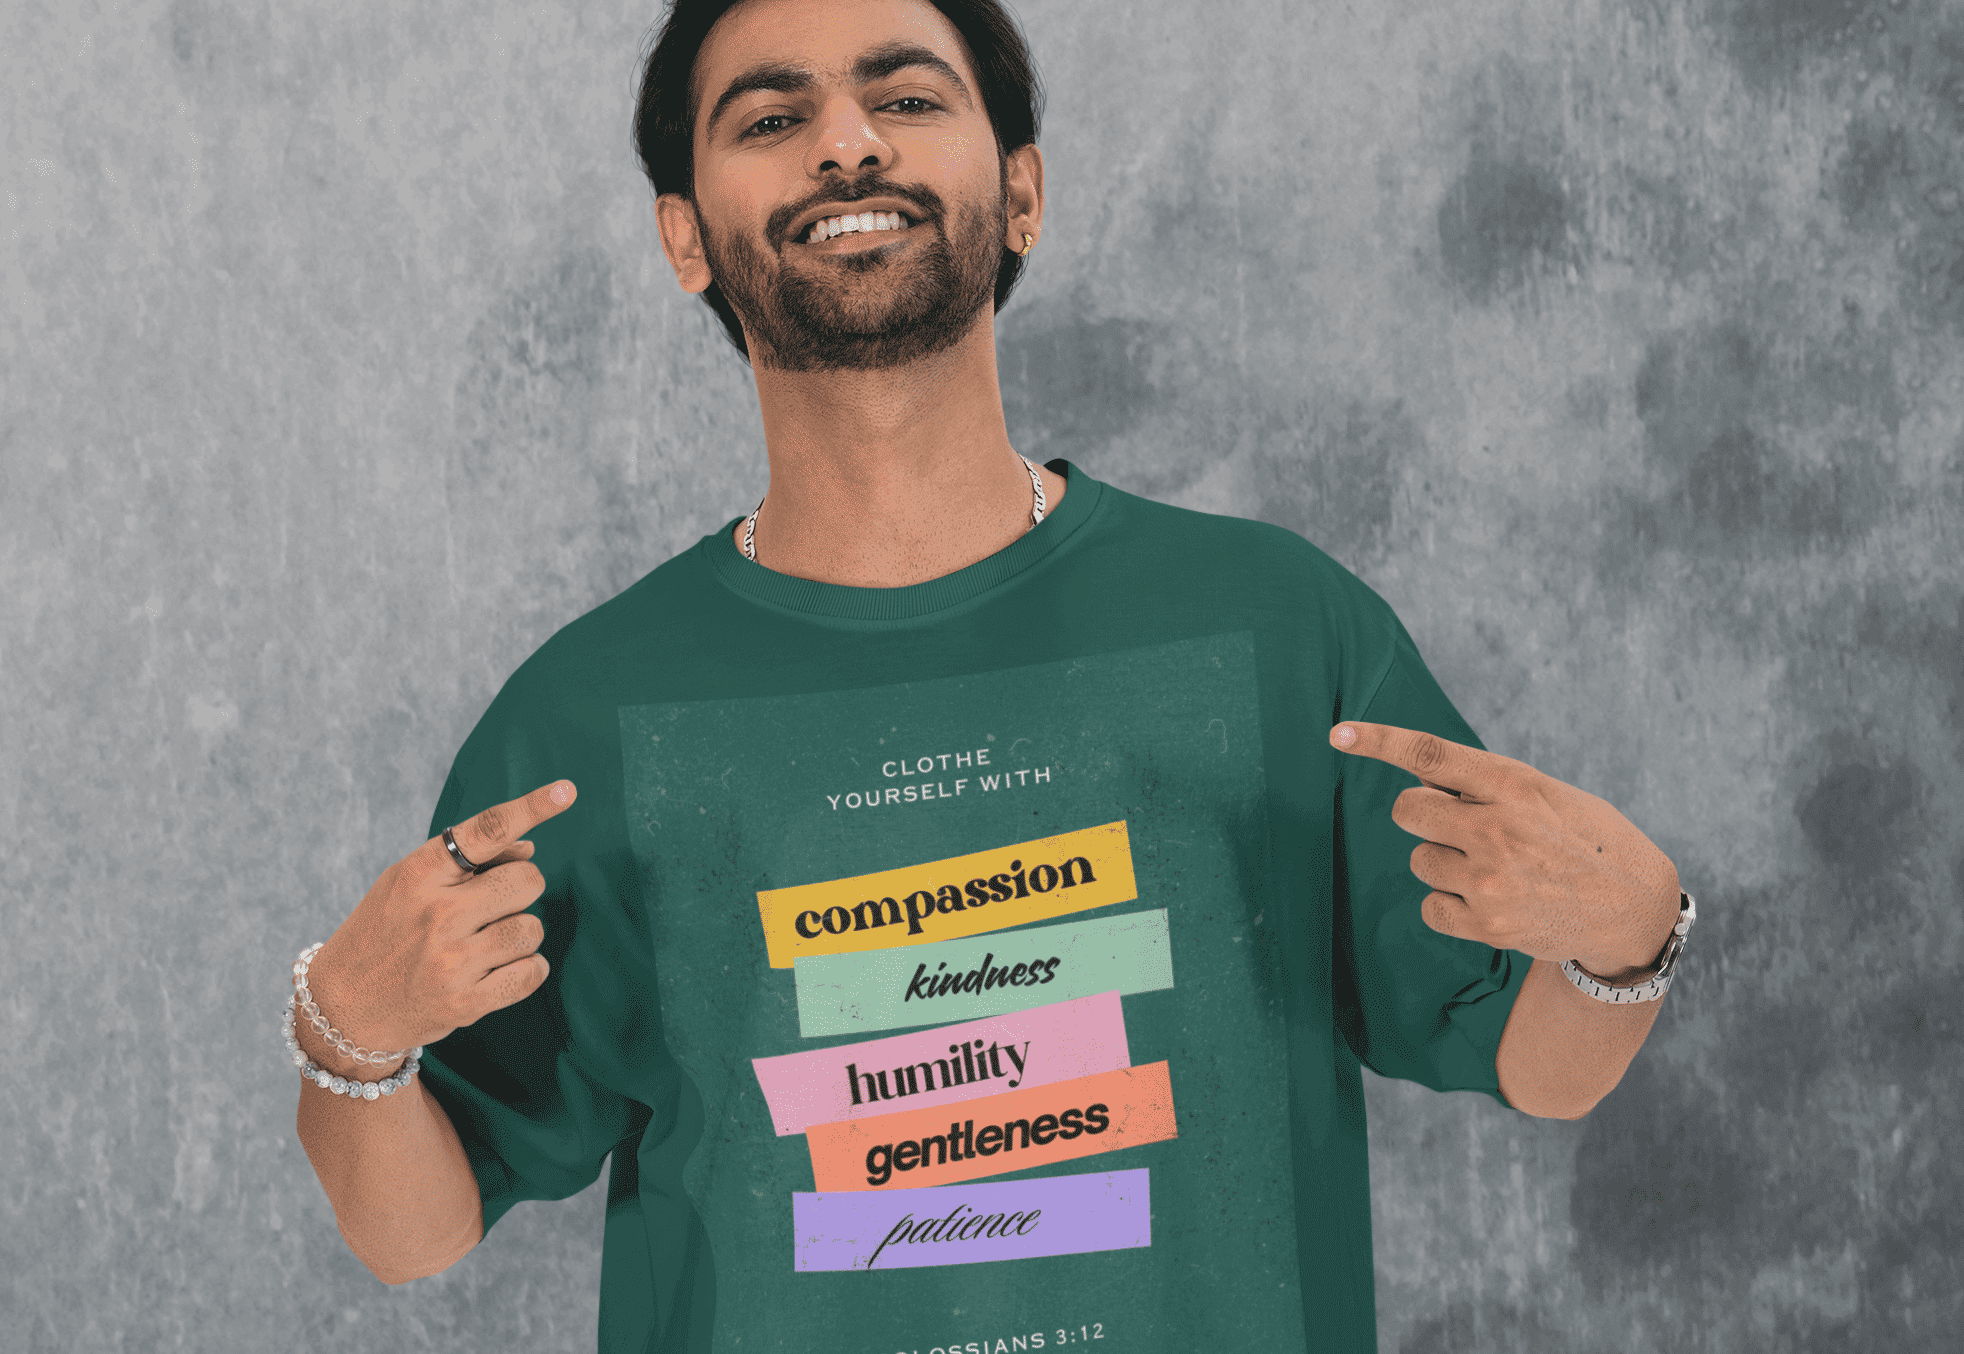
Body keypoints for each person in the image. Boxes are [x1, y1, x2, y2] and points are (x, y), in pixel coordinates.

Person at [288, 0, 1696, 1349]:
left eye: (905, 97)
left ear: (1022, 194)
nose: (848, 141)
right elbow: (416, 1224)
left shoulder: (1270, 623)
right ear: (685, 237)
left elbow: (1533, 1056)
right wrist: (347, 1038)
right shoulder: (588, 719)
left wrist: (1630, 936)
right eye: (772, 116)